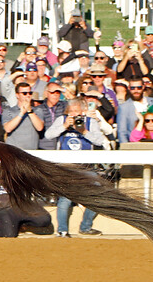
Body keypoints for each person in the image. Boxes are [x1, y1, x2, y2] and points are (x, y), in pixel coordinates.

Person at [45, 99, 106, 237]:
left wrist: (84, 131)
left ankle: (85, 226)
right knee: (65, 198)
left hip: (86, 168)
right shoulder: (62, 120)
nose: (73, 115)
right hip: (65, 168)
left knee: (98, 194)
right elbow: (48, 135)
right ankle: (62, 230)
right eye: (71, 111)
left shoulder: (90, 122)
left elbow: (99, 140)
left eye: (76, 112)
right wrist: (64, 126)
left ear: (82, 111)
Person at [2, 82, 45, 150]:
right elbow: (8, 129)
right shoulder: (8, 111)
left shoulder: (38, 110)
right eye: (24, 93)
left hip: (32, 152)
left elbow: (39, 127)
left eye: (30, 93)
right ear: (17, 95)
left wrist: (29, 111)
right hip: (14, 151)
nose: (28, 95)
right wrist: (21, 113)